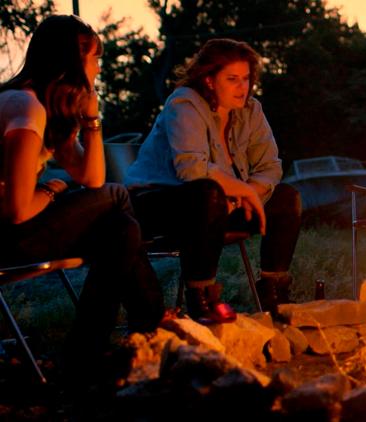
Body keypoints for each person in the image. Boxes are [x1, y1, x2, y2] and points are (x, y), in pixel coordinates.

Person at [0, 15, 164, 373]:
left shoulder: (43, 105)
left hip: (18, 230)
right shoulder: (25, 107)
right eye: (95, 58)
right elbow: (15, 209)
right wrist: (50, 189)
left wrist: (92, 119)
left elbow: (91, 178)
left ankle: (92, 353)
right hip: (7, 237)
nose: (99, 67)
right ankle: (151, 326)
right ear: (71, 62)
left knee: (121, 227)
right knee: (118, 199)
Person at [125, 38, 302, 321]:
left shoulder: (250, 110)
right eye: (232, 79)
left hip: (218, 206)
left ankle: (274, 292)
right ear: (209, 79)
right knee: (207, 193)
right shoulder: (184, 103)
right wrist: (241, 191)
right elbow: (192, 168)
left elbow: (270, 166)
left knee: (286, 197)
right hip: (155, 205)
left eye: (246, 78)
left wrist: (247, 193)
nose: (242, 87)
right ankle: (202, 297)